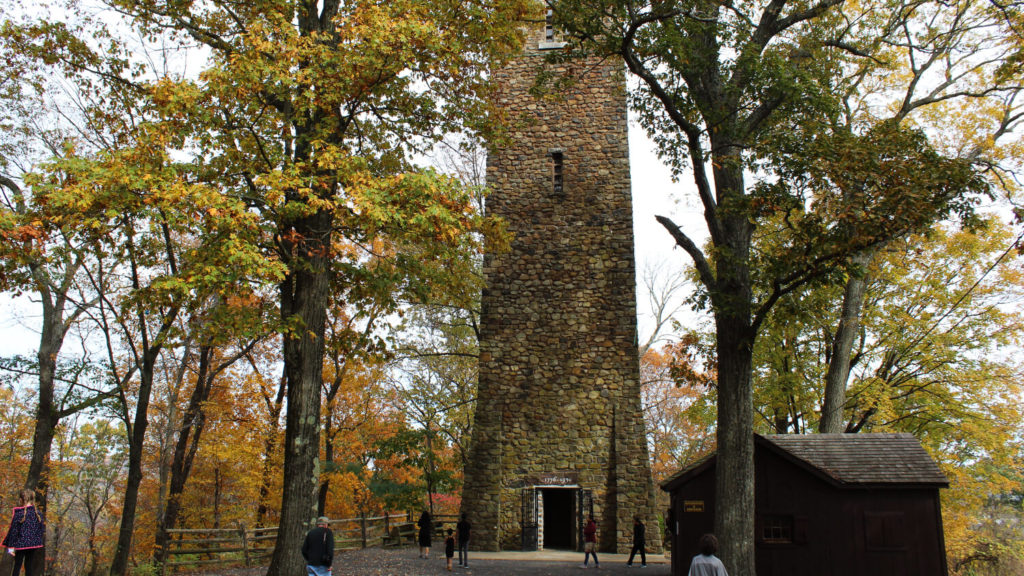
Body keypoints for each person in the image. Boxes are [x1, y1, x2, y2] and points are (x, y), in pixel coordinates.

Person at [2, 489, 45, 576]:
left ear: (21, 500)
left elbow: (14, 531)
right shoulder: (38, 514)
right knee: (28, 565)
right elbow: (41, 530)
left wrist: (11, 547)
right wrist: (35, 540)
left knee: (17, 565)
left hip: (20, 544)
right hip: (33, 544)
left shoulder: (19, 514)